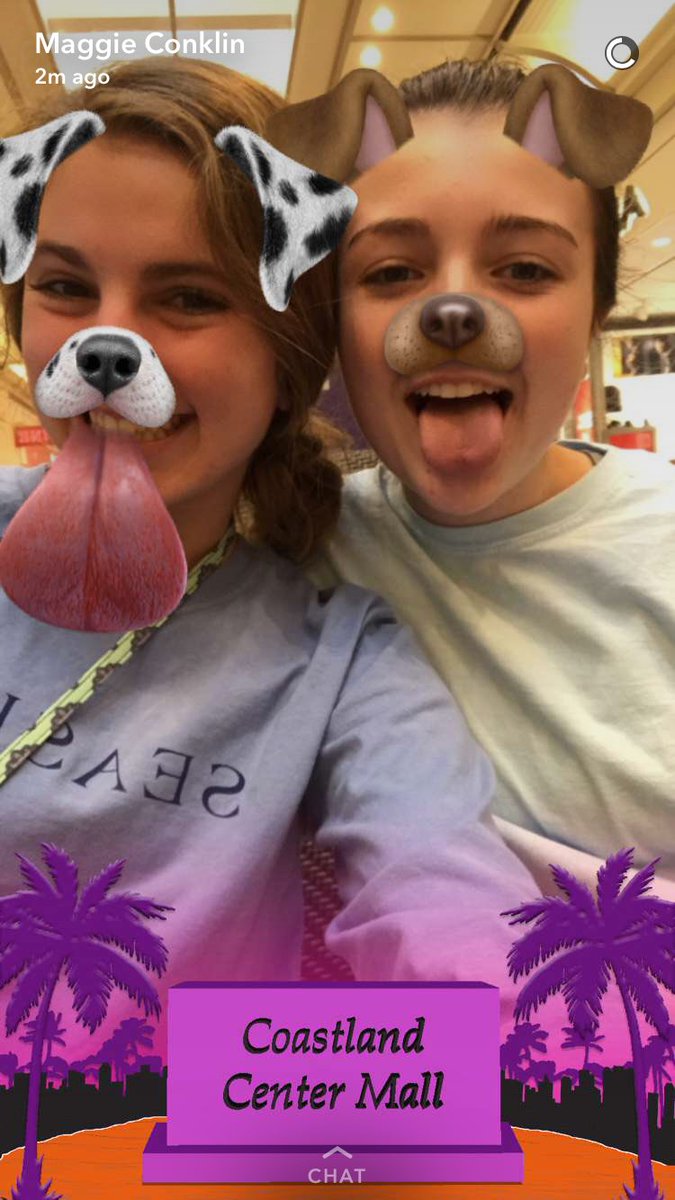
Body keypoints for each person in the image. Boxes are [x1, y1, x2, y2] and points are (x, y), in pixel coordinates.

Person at [0, 57, 538, 1069]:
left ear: (287, 356)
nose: (107, 340)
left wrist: (529, 1058)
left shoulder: (338, 661)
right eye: (65, 287)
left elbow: (455, 918)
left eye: (189, 298)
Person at [310, 58, 675, 893]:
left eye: (525, 269)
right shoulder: (303, 546)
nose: (452, 313)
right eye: (390, 273)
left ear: (596, 312)